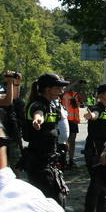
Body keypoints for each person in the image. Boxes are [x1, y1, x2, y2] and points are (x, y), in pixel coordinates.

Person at [23, 73, 69, 204]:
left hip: (50, 161)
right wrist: (37, 120)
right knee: (52, 201)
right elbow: (39, 113)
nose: (61, 90)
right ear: (48, 89)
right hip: (39, 163)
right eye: (58, 87)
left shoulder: (52, 105)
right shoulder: (38, 104)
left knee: (58, 198)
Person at [81, 84, 106, 212]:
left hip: (104, 151)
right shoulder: (98, 108)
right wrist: (91, 116)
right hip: (94, 151)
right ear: (101, 96)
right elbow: (95, 115)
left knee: (103, 182)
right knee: (96, 183)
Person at [60, 83, 84, 169]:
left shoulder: (75, 94)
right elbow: (66, 89)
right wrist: (76, 82)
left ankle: (71, 160)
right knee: (64, 141)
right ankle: (63, 160)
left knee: (72, 141)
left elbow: (81, 102)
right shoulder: (63, 93)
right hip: (65, 119)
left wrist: (81, 87)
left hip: (73, 120)